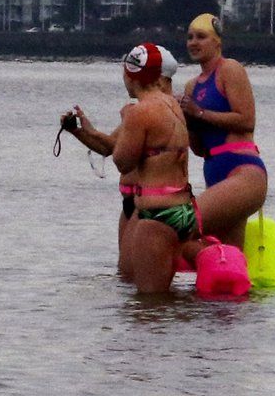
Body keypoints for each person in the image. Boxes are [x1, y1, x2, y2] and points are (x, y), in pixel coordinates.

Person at [61, 44, 194, 294]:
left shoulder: (138, 112)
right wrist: (82, 130)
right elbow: (114, 145)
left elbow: (122, 161)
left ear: (130, 75)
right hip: (182, 210)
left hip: (155, 214)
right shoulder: (171, 105)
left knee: (146, 307)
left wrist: (127, 120)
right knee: (161, 303)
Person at [180, 13, 268, 246]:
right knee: (226, 259)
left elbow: (247, 121)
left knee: (181, 225)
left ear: (217, 42)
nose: (193, 43)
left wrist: (199, 113)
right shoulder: (192, 85)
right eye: (190, 37)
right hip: (214, 170)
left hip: (243, 171)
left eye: (201, 37)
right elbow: (198, 149)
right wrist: (188, 121)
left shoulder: (229, 69)